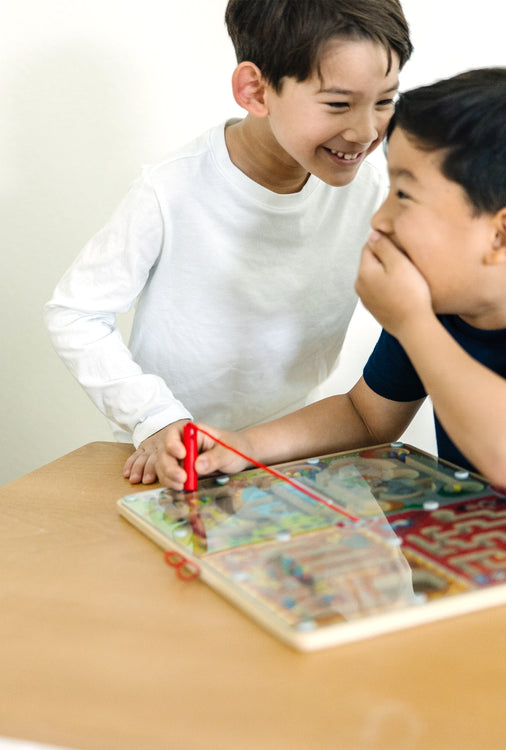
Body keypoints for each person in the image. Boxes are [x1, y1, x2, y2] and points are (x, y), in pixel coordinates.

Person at [155, 67, 506, 492]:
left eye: (404, 195)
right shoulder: (440, 311)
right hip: (502, 568)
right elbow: (366, 417)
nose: (379, 218)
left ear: (502, 239)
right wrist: (245, 444)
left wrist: (411, 320)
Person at [43, 0, 412, 485]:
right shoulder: (170, 190)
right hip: (174, 456)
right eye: (339, 104)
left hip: (285, 455)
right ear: (255, 90)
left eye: (384, 101)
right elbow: (74, 313)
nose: (366, 131)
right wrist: (155, 419)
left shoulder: (369, 195)